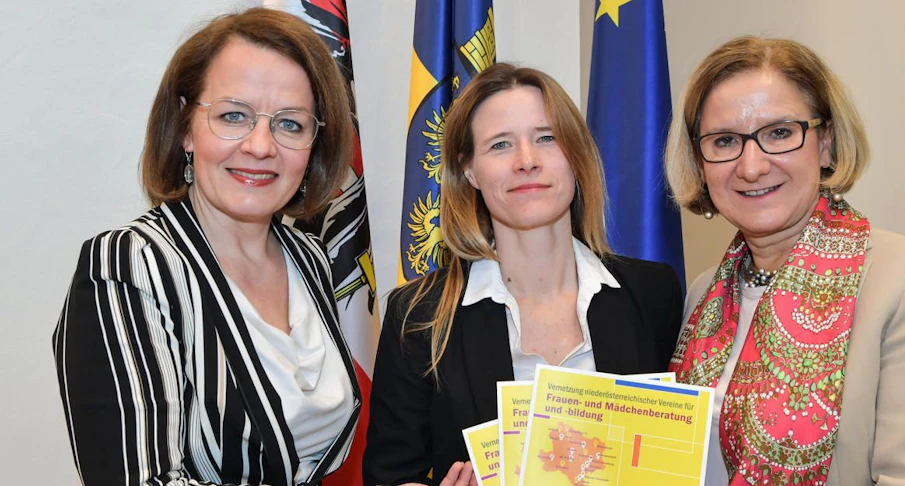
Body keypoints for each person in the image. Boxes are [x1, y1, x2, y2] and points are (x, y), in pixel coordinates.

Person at [52, 8, 362, 486]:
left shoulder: (309, 258)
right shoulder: (128, 266)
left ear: (314, 146)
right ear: (184, 129)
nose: (261, 146)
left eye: (291, 124)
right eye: (233, 116)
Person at [665, 36, 905, 485]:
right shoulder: (705, 294)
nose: (752, 165)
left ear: (826, 143)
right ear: (700, 162)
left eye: (779, 133)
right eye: (724, 141)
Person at [363, 63, 684, 486]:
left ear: (576, 156)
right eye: (500, 145)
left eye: (546, 139)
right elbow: (390, 474)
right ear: (469, 171)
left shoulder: (653, 293)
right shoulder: (418, 317)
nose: (527, 161)